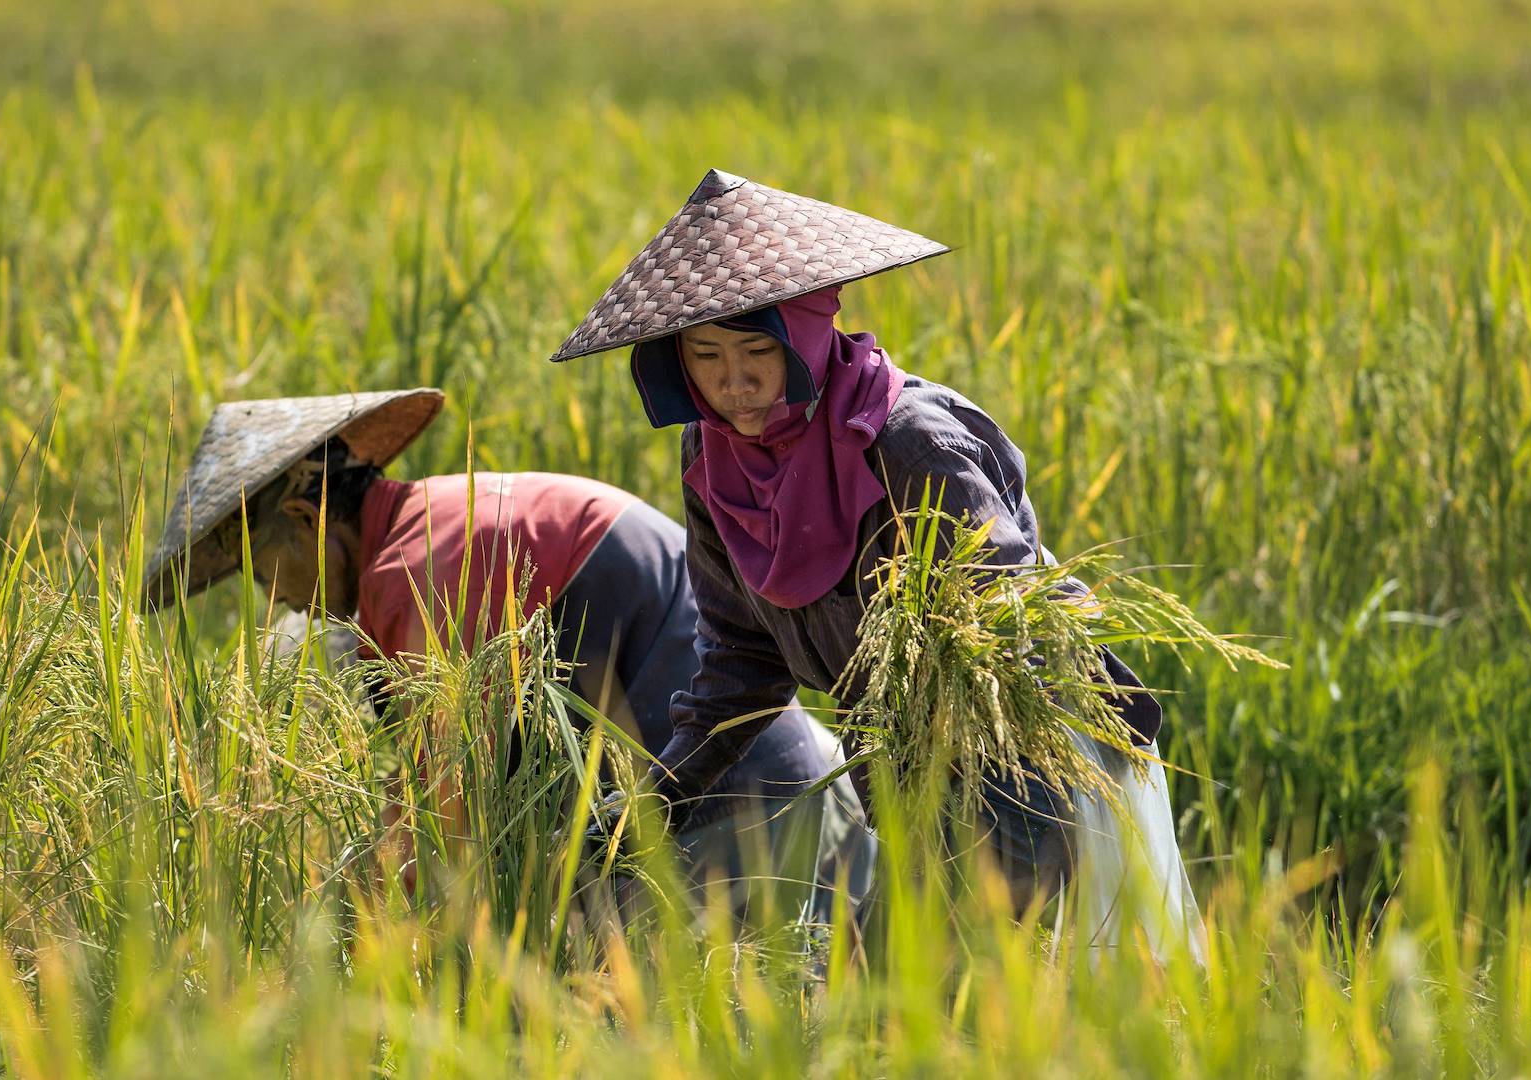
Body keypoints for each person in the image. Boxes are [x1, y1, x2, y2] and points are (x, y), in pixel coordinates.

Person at [550, 170, 1201, 940]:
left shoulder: (909, 443)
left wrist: (962, 762)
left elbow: (1006, 630)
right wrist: (660, 801)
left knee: (942, 997)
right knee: (895, 995)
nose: (733, 384)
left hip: (1027, 762)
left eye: (758, 350)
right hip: (905, 777)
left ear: (807, 334)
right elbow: (740, 663)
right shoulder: (715, 461)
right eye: (705, 357)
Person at [143, 388, 873, 923]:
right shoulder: (443, 520)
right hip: (800, 797)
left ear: (306, 521)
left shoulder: (418, 575)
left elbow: (455, 826)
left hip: (750, 832)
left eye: (265, 572)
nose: (278, 601)